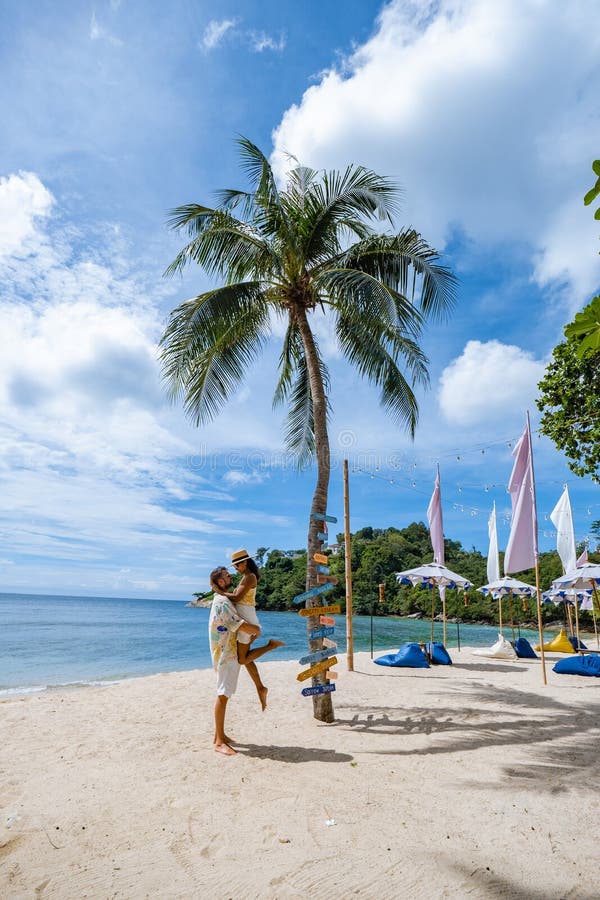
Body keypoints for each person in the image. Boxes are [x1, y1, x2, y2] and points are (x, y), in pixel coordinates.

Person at [209, 566, 280, 756]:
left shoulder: (223, 599)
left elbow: (237, 624)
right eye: (226, 575)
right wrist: (255, 630)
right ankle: (218, 742)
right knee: (223, 695)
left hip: (228, 652)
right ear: (221, 582)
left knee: (224, 693)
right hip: (226, 654)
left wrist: (252, 633)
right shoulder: (222, 601)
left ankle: (220, 735)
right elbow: (237, 623)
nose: (230, 575)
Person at [222, 549, 284, 711]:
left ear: (245, 562)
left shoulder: (250, 577)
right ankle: (260, 688)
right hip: (246, 621)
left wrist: (218, 591)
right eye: (234, 565)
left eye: (237, 565)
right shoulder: (246, 577)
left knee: (242, 660)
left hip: (247, 623)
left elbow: (236, 598)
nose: (236, 568)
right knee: (246, 658)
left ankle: (271, 645)